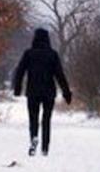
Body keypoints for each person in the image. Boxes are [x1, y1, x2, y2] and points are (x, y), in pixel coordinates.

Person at [12, 27, 72, 156]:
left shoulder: (28, 53)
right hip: (49, 92)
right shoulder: (53, 54)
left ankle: (34, 138)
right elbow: (60, 75)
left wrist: (17, 89)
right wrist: (67, 93)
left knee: (33, 118)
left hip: (32, 91)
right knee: (46, 119)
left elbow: (20, 71)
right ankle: (45, 147)